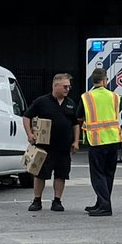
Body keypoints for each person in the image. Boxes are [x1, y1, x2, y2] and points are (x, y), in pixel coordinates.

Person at [23, 73, 80, 212]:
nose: (68, 89)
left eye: (69, 87)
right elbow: (26, 117)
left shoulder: (70, 103)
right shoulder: (42, 101)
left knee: (61, 175)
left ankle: (57, 201)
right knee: (40, 174)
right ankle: (37, 200)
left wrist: (76, 141)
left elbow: (75, 124)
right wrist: (30, 134)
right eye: (65, 86)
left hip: (63, 147)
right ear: (56, 86)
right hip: (44, 147)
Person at [79, 67, 122, 217]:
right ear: (105, 80)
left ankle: (104, 206)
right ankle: (102, 202)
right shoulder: (115, 96)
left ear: (93, 81)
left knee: (98, 175)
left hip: (97, 141)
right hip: (114, 140)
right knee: (108, 174)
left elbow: (79, 116)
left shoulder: (87, 97)